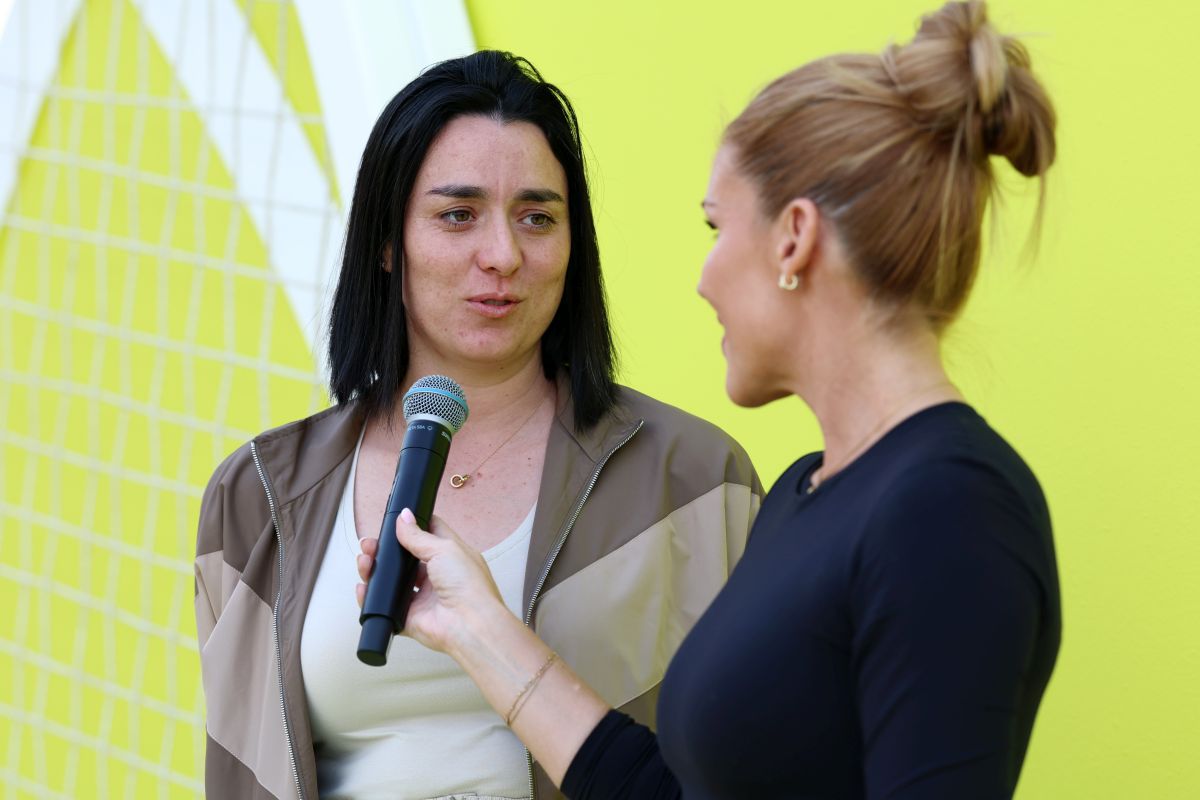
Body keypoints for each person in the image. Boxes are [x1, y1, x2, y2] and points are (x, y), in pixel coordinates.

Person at [356, 2, 1063, 798]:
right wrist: (475, 627)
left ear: (794, 239)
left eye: (716, 228)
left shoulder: (949, 508)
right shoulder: (805, 494)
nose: (703, 279)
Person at [194, 51, 761, 799]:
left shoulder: (693, 480)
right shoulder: (258, 495)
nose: (503, 255)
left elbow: (759, 764)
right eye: (458, 215)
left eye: (537, 218)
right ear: (386, 243)